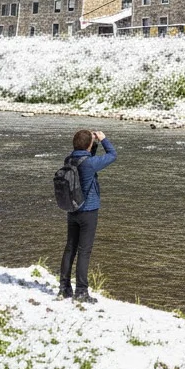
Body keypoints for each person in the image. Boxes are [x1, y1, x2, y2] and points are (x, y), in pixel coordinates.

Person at [58, 128, 117, 303]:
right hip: (88, 211)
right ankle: (81, 292)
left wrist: (91, 143)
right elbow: (113, 155)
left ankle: (64, 288)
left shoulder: (69, 159)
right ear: (89, 145)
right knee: (84, 252)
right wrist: (104, 139)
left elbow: (84, 154)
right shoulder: (90, 164)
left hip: (72, 209)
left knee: (70, 248)